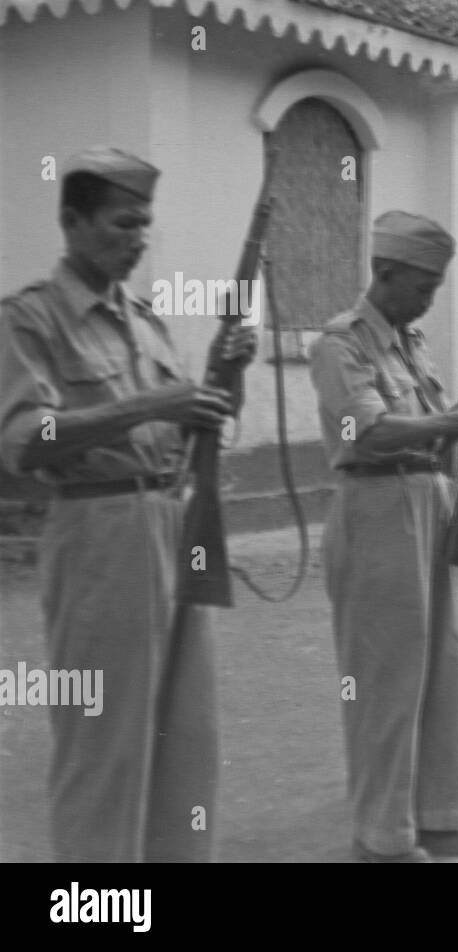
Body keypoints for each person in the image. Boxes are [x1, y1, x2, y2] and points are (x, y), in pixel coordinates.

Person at [0, 146, 257, 861]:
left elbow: (187, 427)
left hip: (171, 522)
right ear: (73, 221)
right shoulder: (30, 319)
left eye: (145, 225)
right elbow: (24, 438)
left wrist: (225, 378)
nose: (138, 240)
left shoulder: (146, 322)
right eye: (122, 224)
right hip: (98, 532)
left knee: (186, 733)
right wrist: (153, 402)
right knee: (104, 739)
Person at [309, 210, 458, 862]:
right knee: (385, 678)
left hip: (429, 502)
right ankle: (380, 834)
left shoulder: (410, 343)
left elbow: (436, 431)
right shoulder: (340, 344)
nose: (429, 299)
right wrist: (452, 421)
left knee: (442, 669)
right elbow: (365, 431)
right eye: (422, 286)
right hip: (375, 507)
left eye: (436, 287)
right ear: (386, 272)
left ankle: (435, 812)